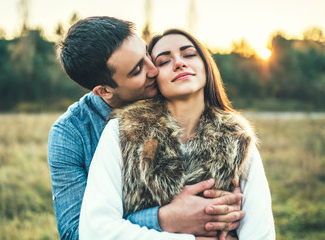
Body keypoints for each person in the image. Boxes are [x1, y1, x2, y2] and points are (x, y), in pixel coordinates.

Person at [48, 16, 244, 239]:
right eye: (137, 70)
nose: (154, 70)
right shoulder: (70, 134)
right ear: (104, 91)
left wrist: (230, 204)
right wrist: (163, 219)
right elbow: (77, 232)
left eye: (147, 55)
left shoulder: (173, 90)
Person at [79, 29, 276, 239]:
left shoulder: (237, 139)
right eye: (163, 61)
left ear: (206, 65)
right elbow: (95, 231)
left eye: (189, 54)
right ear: (153, 77)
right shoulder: (122, 132)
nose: (179, 63)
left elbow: (260, 233)